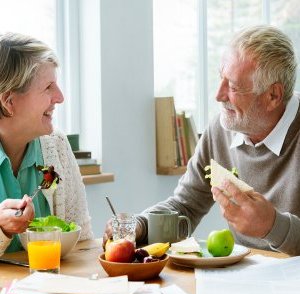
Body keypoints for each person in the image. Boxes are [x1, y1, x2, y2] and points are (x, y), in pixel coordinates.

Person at [103, 25, 300, 255]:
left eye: (233, 86)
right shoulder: (221, 129)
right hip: (247, 276)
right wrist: (141, 225)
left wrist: (273, 226)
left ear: (273, 96)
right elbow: (186, 206)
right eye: (221, 79)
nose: (218, 95)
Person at [0, 32, 93, 256]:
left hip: (50, 286)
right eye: (48, 87)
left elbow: (82, 242)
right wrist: (2, 230)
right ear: (9, 101)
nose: (60, 97)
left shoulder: (56, 146)